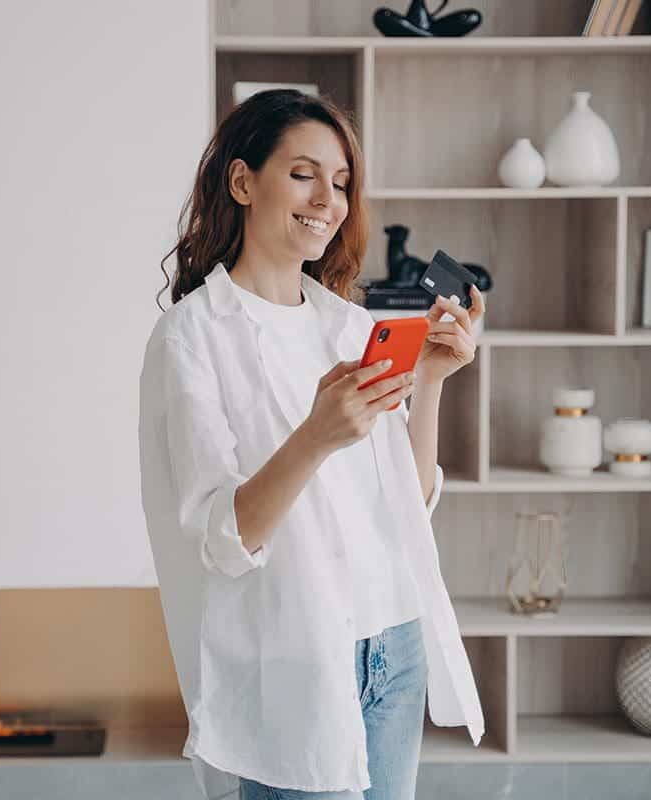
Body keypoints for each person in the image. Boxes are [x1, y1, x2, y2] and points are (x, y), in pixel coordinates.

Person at [138, 89, 486, 800]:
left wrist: (434, 382)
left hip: (394, 642)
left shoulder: (348, 327)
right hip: (295, 658)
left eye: (341, 181)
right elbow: (223, 539)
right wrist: (315, 438)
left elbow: (408, 507)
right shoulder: (191, 338)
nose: (329, 198)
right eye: (303, 173)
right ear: (243, 182)